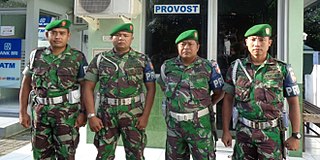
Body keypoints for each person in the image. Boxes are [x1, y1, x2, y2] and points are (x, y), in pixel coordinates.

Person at [221, 24, 301, 159]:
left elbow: (293, 103)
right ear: (246, 42)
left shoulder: (282, 69)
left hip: (271, 134)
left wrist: (296, 135)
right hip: (244, 134)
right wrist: (225, 131)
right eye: (253, 39)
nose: (257, 44)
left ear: (269, 43)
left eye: (262, 40)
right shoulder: (236, 68)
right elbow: (228, 100)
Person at [83, 23, 156, 160]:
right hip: (106, 115)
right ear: (112, 38)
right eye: (117, 35)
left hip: (133, 114)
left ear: (131, 39)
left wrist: (145, 116)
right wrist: (91, 115)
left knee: (136, 155)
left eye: (125, 35)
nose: (121, 38)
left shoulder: (142, 60)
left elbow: (151, 89)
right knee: (104, 155)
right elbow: (88, 87)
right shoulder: (101, 59)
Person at [19, 19, 88, 160]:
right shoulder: (36, 56)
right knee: (40, 155)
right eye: (54, 33)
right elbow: (25, 85)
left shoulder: (77, 57)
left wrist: (84, 113)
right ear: (47, 35)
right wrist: (22, 112)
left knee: (66, 154)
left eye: (62, 33)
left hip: (67, 115)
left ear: (68, 35)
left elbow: (86, 87)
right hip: (40, 114)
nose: (57, 36)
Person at [157, 29, 225, 160]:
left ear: (197, 47)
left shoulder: (208, 66)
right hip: (175, 126)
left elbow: (219, 92)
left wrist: (205, 105)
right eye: (182, 44)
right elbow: (163, 86)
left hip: (200, 126)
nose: (186, 47)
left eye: (190, 44)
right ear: (177, 47)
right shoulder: (168, 66)